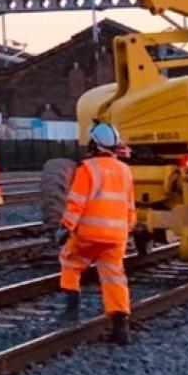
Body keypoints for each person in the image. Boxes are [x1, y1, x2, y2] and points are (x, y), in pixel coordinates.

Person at [59, 121, 134, 345]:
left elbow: (76, 204)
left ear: (94, 144)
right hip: (116, 237)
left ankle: (71, 313)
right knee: (114, 277)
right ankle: (121, 327)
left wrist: (65, 228)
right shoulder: (125, 170)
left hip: (89, 234)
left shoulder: (87, 169)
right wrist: (126, 232)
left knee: (70, 262)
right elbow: (130, 207)